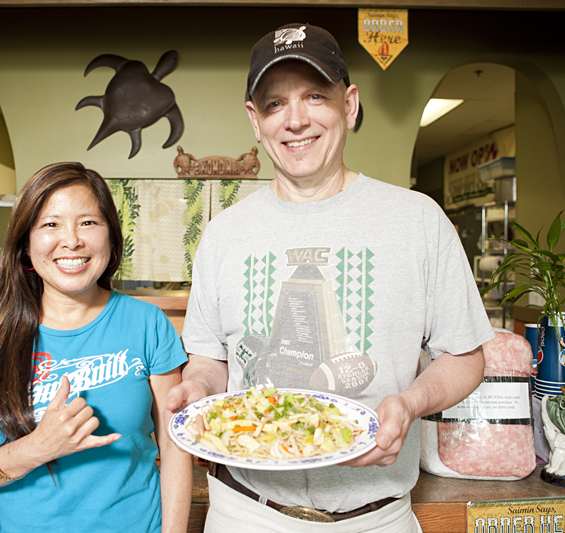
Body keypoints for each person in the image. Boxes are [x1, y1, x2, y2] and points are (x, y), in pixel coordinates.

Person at [165, 23, 494, 533]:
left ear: (350, 105)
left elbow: (465, 357)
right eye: (275, 104)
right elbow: (210, 359)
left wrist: (410, 403)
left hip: (377, 519)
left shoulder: (417, 219)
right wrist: (197, 390)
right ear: (255, 120)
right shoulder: (223, 234)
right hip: (246, 514)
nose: (295, 120)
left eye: (315, 96)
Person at [0, 162, 192, 533]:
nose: (72, 240)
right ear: (26, 245)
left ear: (111, 238)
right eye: (50, 224)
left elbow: (175, 449)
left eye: (88, 223)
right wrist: (37, 448)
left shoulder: (148, 323)